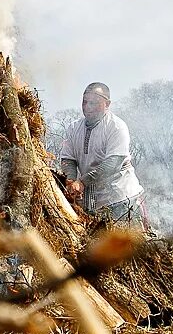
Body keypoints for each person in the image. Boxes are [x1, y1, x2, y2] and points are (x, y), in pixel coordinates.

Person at [59, 82, 146, 226]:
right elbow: (68, 159)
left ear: (107, 104)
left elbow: (112, 164)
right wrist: (70, 181)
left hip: (121, 198)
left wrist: (82, 182)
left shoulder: (116, 127)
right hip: (93, 200)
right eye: (85, 102)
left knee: (129, 244)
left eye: (94, 103)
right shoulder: (74, 128)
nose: (88, 107)